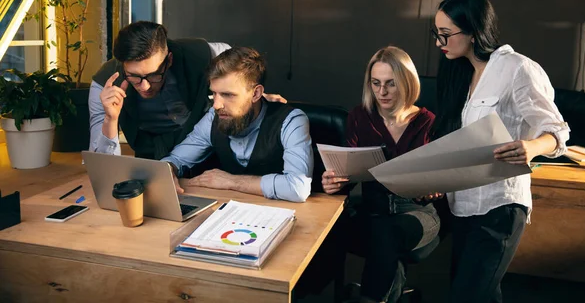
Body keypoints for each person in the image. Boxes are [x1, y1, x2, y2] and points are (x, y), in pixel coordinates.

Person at [431, 0, 570, 303]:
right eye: (436, 34)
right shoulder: (461, 74)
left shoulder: (518, 69)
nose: (439, 43)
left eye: (446, 34)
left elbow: (558, 132)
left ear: (473, 30)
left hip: (500, 207)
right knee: (478, 294)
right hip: (463, 205)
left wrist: (532, 147)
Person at [321, 46, 441, 303]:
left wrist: (434, 187)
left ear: (407, 83)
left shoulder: (428, 122)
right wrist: (333, 182)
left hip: (417, 214)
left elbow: (440, 181)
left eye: (390, 84)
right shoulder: (359, 117)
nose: (382, 92)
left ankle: (370, 298)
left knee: (386, 234)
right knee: (377, 235)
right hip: (372, 212)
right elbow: (346, 172)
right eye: (376, 83)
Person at [89, 21, 283, 161]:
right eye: (134, 77)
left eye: (154, 75)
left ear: (169, 60)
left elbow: (237, 70)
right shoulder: (104, 85)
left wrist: (249, 97)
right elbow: (101, 163)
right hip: (150, 154)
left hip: (205, 145)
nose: (145, 86)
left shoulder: (201, 53)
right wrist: (110, 119)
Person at [160, 46, 313, 203]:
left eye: (227, 95)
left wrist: (231, 181)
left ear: (256, 94)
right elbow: (176, 159)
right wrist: (169, 169)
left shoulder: (291, 121)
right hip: (230, 214)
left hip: (283, 215)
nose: (217, 105)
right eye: (214, 93)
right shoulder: (213, 116)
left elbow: (297, 187)